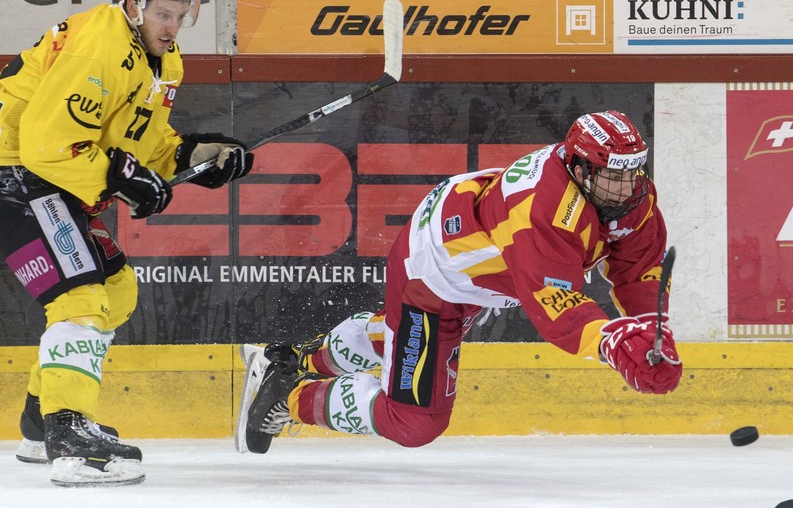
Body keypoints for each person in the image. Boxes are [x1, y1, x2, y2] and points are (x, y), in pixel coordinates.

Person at [0, 0, 252, 486]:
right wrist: (120, 178)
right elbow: (48, 144)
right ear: (132, 3)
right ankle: (68, 437)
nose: (175, 24)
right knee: (79, 297)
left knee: (116, 291)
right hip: (10, 165)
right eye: (164, 12)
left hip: (48, 171)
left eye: (184, 13)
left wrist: (197, 156)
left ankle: (39, 422)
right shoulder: (99, 45)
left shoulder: (164, 59)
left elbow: (144, 140)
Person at [237, 110, 681, 454]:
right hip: (434, 276)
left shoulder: (616, 188)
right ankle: (285, 393)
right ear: (581, 169)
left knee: (400, 335)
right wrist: (616, 345)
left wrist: (650, 334)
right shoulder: (543, 211)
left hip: (476, 258)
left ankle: (293, 357)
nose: (627, 190)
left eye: (634, 173)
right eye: (614, 177)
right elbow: (557, 306)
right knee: (413, 422)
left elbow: (638, 267)